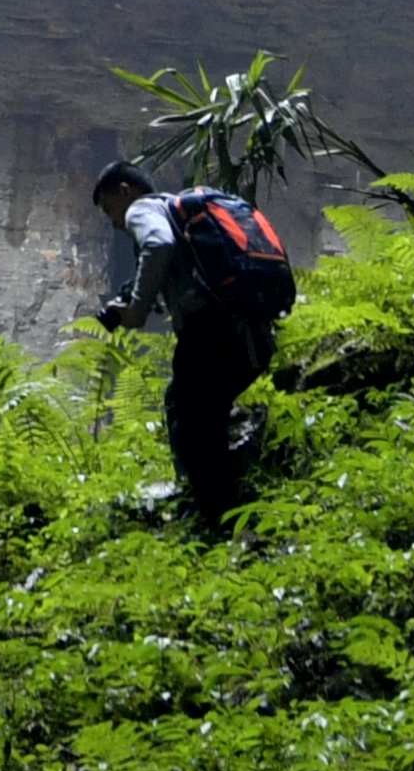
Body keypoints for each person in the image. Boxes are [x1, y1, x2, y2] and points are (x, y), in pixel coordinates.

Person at [84, 160, 295, 527]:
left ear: (124, 191)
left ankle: (212, 518)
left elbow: (157, 244)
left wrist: (135, 311)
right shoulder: (184, 218)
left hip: (211, 331)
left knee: (189, 415)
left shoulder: (143, 209)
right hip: (252, 327)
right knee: (198, 412)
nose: (115, 223)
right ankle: (224, 508)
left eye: (109, 210)